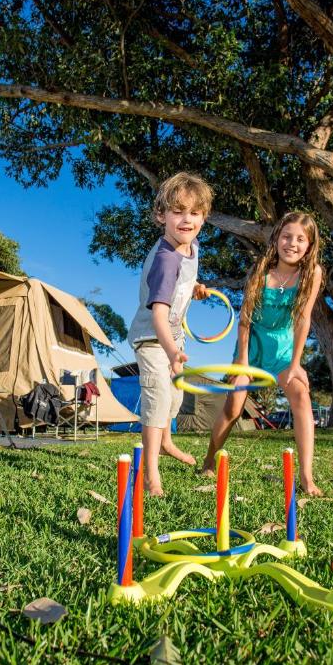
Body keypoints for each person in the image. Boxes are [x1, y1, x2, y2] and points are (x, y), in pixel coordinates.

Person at [199, 212, 324, 496]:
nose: (292, 244)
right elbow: (244, 317)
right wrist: (242, 359)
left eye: (300, 239)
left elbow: (304, 319)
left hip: (283, 349)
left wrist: (295, 364)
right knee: (233, 408)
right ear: (277, 238)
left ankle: (306, 476)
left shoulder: (312, 273)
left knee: (302, 397)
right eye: (286, 236)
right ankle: (209, 460)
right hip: (252, 345)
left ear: (309, 244)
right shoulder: (261, 270)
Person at [125, 172, 213, 496]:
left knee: (176, 397)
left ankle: (166, 442)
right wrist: (172, 352)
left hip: (173, 338)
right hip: (152, 338)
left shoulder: (191, 247)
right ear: (161, 215)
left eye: (194, 212)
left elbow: (183, 284)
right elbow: (160, 314)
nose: (186, 219)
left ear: (203, 217)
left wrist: (196, 289)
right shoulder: (165, 260)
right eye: (178, 211)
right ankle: (150, 474)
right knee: (159, 396)